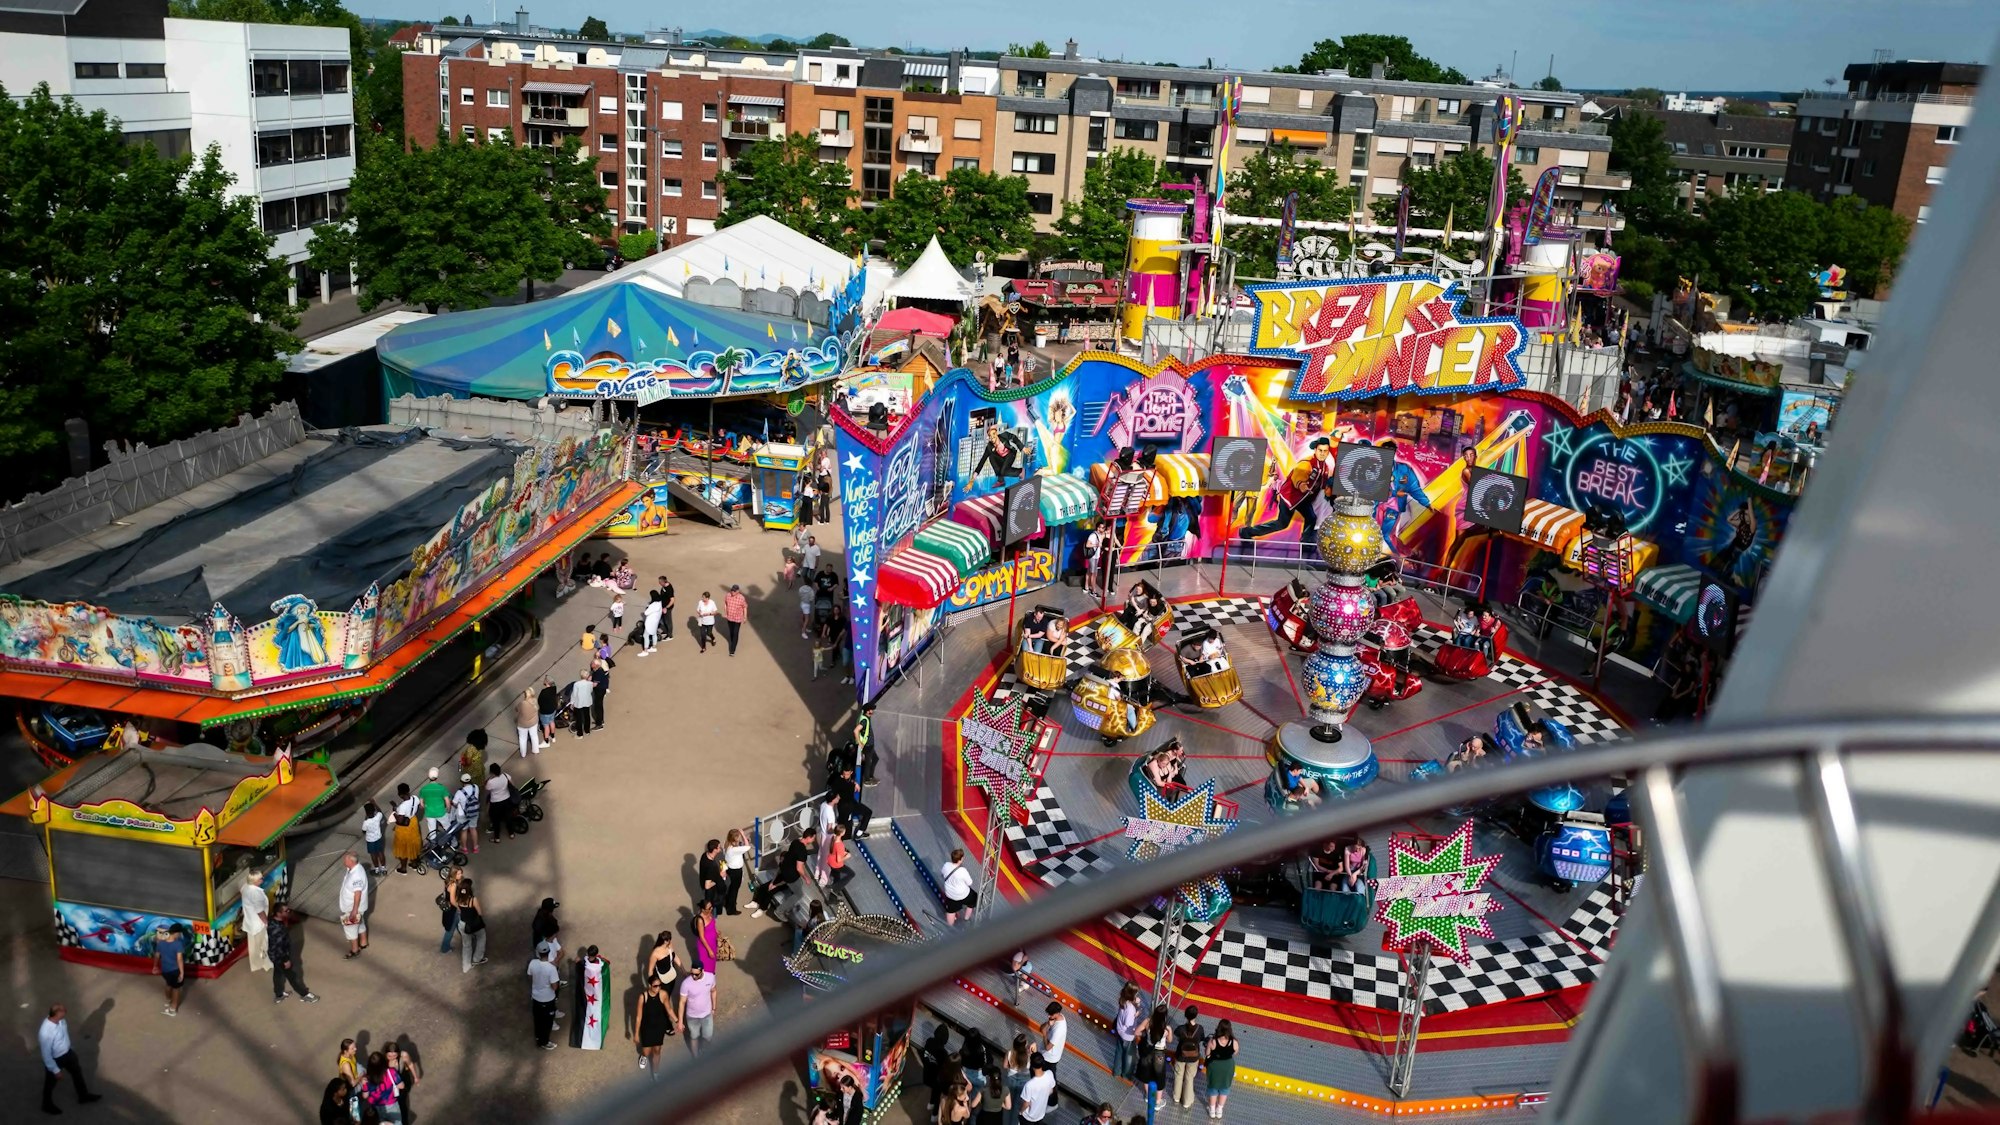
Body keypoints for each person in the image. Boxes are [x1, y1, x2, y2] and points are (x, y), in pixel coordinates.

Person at [1241, 435, 1333, 545]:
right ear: (1315, 450)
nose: (1322, 453)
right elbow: (1297, 477)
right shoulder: (1307, 463)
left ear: (1328, 452)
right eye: (1320, 450)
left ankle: (1305, 543)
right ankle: (1246, 532)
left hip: (1302, 500)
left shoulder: (1325, 467)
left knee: (1311, 518)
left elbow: (1323, 484)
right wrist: (1302, 485)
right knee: (1281, 524)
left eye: (1325, 451)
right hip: (1289, 497)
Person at [39, 1003, 101, 1114]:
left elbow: (64, 1035)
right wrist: (55, 1070)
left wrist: (69, 1048)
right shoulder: (46, 1032)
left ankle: (83, 1096)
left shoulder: (62, 1021)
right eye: (63, 1011)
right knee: (50, 1083)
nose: (65, 1012)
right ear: (56, 1014)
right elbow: (46, 1054)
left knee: (77, 1073)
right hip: (56, 1059)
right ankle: (46, 1104)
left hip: (68, 1054)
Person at [266, 905, 317, 1003]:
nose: (289, 912)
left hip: (275, 956)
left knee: (278, 974)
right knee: (293, 976)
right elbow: (279, 946)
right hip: (280, 957)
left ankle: (279, 995)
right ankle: (304, 994)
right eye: (286, 911)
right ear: (278, 913)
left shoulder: (273, 921)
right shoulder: (278, 929)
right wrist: (285, 960)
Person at [631, 976, 672, 1073]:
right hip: (647, 1027)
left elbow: (669, 1009)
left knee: (657, 1050)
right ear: (650, 985)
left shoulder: (663, 994)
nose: (658, 988)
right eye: (655, 986)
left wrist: (677, 1021)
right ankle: (644, 1056)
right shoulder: (643, 997)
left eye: (660, 985)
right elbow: (638, 1017)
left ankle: (656, 1073)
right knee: (646, 1051)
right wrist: (636, 1034)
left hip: (659, 1026)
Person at [677, 960, 717, 1056]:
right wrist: (680, 1022)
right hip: (692, 1017)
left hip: (707, 1014)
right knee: (694, 1037)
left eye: (696, 974)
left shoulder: (710, 977)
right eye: (692, 973)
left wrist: (714, 1008)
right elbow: (682, 1003)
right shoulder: (686, 984)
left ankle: (705, 1051)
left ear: (702, 971)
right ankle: (695, 1057)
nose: (694, 976)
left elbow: (713, 991)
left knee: (708, 1036)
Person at [529, 942, 563, 1050]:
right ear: (548, 952)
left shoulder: (532, 963)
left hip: (535, 998)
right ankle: (544, 1042)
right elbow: (554, 987)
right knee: (547, 1023)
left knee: (538, 1020)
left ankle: (539, 1039)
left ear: (538, 953)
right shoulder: (551, 968)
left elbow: (530, 976)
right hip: (547, 1000)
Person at [1171, 1005, 1206, 1109]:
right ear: (1196, 1015)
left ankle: (1176, 1097)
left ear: (1185, 1015)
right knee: (1189, 1078)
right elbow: (1202, 1039)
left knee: (1178, 1075)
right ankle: (1186, 1101)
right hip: (1193, 1057)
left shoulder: (1180, 1029)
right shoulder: (1200, 1028)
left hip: (1180, 1055)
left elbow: (1176, 1035)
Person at [1204, 1019, 1238, 1119]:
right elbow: (1235, 1052)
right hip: (1228, 1066)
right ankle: (1219, 1110)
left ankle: (1212, 1110)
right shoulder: (1234, 1042)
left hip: (1215, 1067)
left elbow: (1207, 1053)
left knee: (1213, 1087)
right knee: (1225, 1088)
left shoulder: (1213, 1041)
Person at [339, 851, 370, 957]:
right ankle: (364, 942)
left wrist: (354, 910)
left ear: (351, 861)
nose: (343, 861)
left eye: (345, 859)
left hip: (353, 907)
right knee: (360, 922)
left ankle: (355, 950)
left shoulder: (356, 875)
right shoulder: (356, 868)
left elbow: (357, 893)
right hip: (357, 907)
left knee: (350, 928)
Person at [239, 867, 271, 973]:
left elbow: (241, 891)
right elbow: (260, 911)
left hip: (250, 922)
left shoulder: (245, 887)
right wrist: (266, 922)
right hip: (258, 924)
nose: (262, 879)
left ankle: (256, 964)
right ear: (255, 881)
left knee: (253, 946)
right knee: (262, 944)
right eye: (260, 879)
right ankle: (264, 963)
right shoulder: (256, 893)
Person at [832, 763, 873, 839]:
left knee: (868, 812)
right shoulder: (838, 780)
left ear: (851, 772)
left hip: (852, 803)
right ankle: (843, 840)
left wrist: (854, 782)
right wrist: (853, 785)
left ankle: (860, 833)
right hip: (844, 807)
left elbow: (851, 782)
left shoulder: (851, 779)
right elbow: (842, 792)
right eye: (844, 774)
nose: (845, 776)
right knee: (845, 826)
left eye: (847, 774)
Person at [357, 1052, 402, 1121]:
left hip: (375, 1107)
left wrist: (363, 1085)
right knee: (397, 1122)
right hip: (391, 1103)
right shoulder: (391, 1072)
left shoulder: (366, 1079)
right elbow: (401, 1085)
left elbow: (365, 1096)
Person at [455, 877, 487, 971]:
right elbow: (479, 912)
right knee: (481, 938)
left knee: (466, 945)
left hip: (462, 924)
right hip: (473, 923)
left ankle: (466, 966)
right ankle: (477, 958)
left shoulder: (458, 898)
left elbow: (459, 910)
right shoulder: (473, 900)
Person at [383, 1043, 420, 1122]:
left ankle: (404, 1120)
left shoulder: (404, 1056)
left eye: (395, 1055)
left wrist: (415, 1077)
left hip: (403, 1080)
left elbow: (410, 1064)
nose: (392, 1058)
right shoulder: (383, 1061)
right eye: (389, 1056)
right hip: (391, 1085)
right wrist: (390, 1068)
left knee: (402, 1103)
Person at [390, 783, 422, 874]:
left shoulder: (402, 806)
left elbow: (400, 820)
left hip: (404, 828)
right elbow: (418, 807)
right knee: (413, 844)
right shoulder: (415, 798)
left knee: (402, 847)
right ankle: (414, 864)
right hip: (413, 822)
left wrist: (394, 812)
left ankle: (403, 868)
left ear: (400, 794)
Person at [1112, 981, 1141, 1078]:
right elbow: (1128, 1023)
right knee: (1128, 1056)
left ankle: (1116, 1071)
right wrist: (1136, 1015)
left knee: (1119, 1052)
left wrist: (1136, 1004)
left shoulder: (1123, 1000)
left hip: (1119, 1031)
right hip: (1127, 1035)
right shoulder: (1131, 1009)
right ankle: (1126, 1074)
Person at [721, 827, 752, 916]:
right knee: (734, 890)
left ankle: (727, 902)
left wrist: (743, 841)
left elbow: (740, 846)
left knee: (732, 888)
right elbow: (748, 847)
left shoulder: (727, 844)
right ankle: (731, 909)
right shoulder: (734, 849)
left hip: (730, 869)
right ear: (735, 838)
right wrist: (743, 834)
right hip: (736, 871)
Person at [940, 848, 976, 925]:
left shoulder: (946, 865)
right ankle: (966, 919)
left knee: (951, 911)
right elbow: (970, 883)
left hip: (950, 895)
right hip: (963, 894)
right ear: (960, 860)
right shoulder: (963, 871)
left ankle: (950, 926)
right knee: (973, 899)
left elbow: (942, 874)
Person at [1017, 1054, 1055, 1123]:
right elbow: (1051, 1091)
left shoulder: (1029, 1085)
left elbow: (1026, 1103)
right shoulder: (1049, 1074)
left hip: (1028, 1117)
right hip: (1040, 1115)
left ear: (1032, 1066)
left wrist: (1020, 1111)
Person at [417, 767, 452, 843]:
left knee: (432, 831)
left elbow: (421, 804)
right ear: (437, 777)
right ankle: (454, 843)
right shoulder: (442, 788)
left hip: (429, 813)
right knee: (448, 828)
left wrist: (426, 807)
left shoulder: (423, 789)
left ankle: (433, 844)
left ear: (428, 777)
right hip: (441, 812)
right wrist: (448, 810)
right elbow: (447, 802)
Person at [486, 763, 518, 843]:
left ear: (492, 772)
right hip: (507, 800)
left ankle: (497, 838)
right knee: (508, 817)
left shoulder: (491, 782)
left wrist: (490, 778)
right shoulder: (505, 775)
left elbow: (487, 788)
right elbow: (513, 784)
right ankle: (511, 833)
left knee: (495, 820)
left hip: (495, 803)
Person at [453, 772, 482, 856]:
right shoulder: (475, 787)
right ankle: (475, 847)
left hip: (463, 814)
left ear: (462, 782)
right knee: (473, 829)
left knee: (464, 830)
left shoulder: (459, 792)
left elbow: (454, 803)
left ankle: (464, 848)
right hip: (474, 811)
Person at [822, 824, 855, 891]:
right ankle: (834, 887)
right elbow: (839, 860)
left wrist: (843, 852)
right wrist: (847, 856)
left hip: (830, 860)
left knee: (837, 877)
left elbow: (835, 851)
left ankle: (834, 890)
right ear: (842, 833)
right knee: (851, 874)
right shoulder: (840, 844)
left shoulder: (833, 838)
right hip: (836, 864)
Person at [694, 899, 723, 974]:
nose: (711, 908)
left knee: (712, 961)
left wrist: (716, 931)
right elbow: (701, 937)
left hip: (713, 942)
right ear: (703, 909)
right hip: (705, 946)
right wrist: (709, 950)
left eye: (711, 907)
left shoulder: (709, 913)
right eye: (709, 908)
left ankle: (712, 973)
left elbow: (713, 924)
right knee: (706, 964)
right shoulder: (700, 920)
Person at [1037, 1002, 1067, 1072]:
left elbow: (1048, 1048)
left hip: (1049, 1059)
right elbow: (1041, 1029)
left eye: (1051, 1014)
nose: (1048, 1016)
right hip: (1043, 1053)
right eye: (1049, 1014)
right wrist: (1047, 1024)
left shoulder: (1059, 1029)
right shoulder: (1056, 1017)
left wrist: (1044, 1034)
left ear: (1057, 1013)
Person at [514, 688, 543, 757]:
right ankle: (536, 750)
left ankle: (523, 754)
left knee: (522, 739)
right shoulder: (535, 701)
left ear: (526, 695)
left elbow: (516, 709)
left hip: (523, 724)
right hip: (533, 723)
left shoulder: (523, 703)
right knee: (534, 736)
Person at [361, 800, 386, 876]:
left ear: (366, 812)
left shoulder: (366, 822)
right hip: (378, 837)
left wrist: (366, 817)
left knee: (373, 854)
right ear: (374, 810)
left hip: (370, 840)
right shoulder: (378, 817)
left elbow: (364, 831)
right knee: (380, 852)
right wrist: (374, 803)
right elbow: (380, 811)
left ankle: (377, 870)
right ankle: (383, 869)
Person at [723, 584, 749, 656]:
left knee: (735, 633)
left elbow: (744, 607)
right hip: (729, 618)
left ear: (738, 591)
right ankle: (733, 642)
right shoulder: (728, 595)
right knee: (731, 632)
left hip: (737, 618)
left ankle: (732, 650)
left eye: (734, 591)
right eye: (732, 590)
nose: (732, 592)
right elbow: (725, 603)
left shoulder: (741, 598)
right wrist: (725, 613)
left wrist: (745, 617)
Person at [568, 669, 595, 737]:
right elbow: (590, 691)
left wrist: (572, 702)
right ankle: (587, 730)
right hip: (587, 701)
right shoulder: (590, 683)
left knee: (579, 718)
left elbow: (574, 694)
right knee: (587, 716)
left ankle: (580, 734)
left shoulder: (577, 684)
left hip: (579, 702)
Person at [651, 574, 677, 642]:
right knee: (664, 619)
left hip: (667, 608)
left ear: (663, 582)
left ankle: (670, 635)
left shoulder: (669, 589)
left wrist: (666, 608)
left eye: (660, 582)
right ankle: (666, 631)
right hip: (663, 606)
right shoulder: (664, 586)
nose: (659, 583)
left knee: (668, 621)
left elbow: (672, 600)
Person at [536, 677, 561, 746]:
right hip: (553, 709)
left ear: (547, 682)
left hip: (545, 712)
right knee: (552, 722)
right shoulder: (554, 688)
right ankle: (553, 737)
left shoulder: (544, 692)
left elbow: (539, 701)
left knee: (546, 726)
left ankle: (546, 741)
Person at [590, 657, 611, 730]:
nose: (591, 664)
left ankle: (599, 724)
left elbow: (594, 684)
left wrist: (586, 685)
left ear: (596, 665)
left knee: (598, 707)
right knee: (599, 706)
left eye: (592, 663)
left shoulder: (599, 672)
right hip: (601, 690)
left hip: (600, 691)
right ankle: (600, 720)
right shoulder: (597, 670)